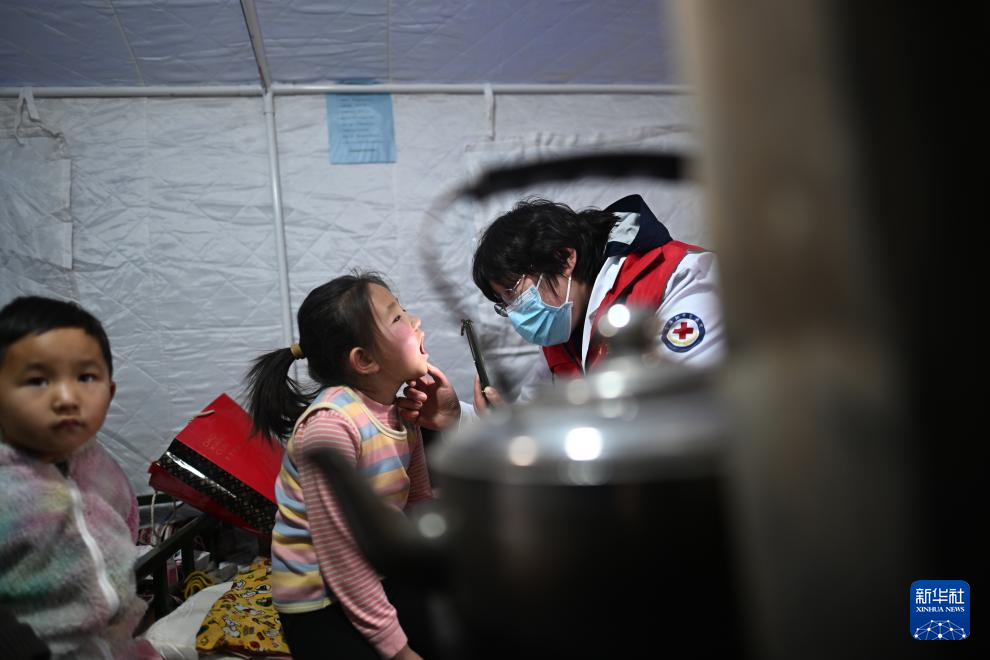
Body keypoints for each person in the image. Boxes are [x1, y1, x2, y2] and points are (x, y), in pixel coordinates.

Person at [399, 194, 725, 429]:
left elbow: (686, 413)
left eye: (513, 291)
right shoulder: (567, 327)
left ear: (565, 259)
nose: (515, 312)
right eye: (504, 303)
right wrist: (458, 417)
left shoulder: (683, 278)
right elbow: (530, 418)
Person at [245, 273, 433, 660]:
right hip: (319, 600)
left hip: (378, 572)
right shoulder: (331, 427)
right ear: (364, 360)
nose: (415, 320)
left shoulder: (403, 415)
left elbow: (418, 506)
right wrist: (399, 652)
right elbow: (342, 559)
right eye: (397, 317)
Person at [0, 296, 158, 659]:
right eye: (38, 380)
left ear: (110, 392)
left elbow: (122, 530)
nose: (67, 398)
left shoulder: (98, 465)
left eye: (86, 377)